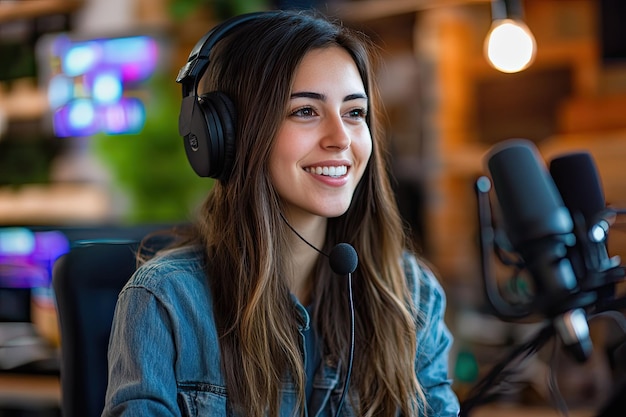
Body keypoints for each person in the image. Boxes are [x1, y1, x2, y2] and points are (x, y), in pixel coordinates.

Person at [102, 9, 460, 417]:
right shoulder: (165, 302)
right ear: (230, 136)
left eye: (354, 112)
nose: (341, 138)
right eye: (305, 111)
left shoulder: (410, 295)